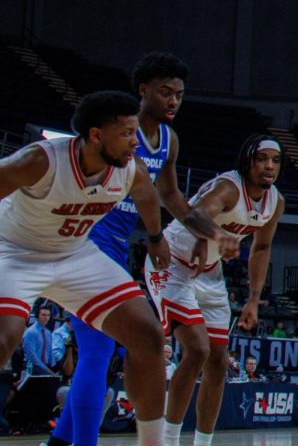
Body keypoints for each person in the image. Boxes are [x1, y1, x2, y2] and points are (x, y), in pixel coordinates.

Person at [50, 57, 237, 446]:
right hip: (85, 241)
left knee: (104, 352)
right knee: (98, 352)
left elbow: (172, 198)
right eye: (165, 92)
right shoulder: (118, 132)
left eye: (180, 95)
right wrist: (155, 238)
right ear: (143, 90)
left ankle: (58, 442)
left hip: (117, 249)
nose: (173, 102)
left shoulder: (168, 140)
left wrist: (216, 233)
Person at [0, 91, 171, 446]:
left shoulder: (130, 171)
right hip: (15, 252)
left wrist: (155, 238)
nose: (134, 143)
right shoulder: (40, 161)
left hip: (75, 254)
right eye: (126, 133)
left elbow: (148, 198)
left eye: (136, 133)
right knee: (4, 337)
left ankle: (154, 443)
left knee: (149, 336)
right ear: (96, 136)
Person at [145, 134, 285, 446]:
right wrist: (220, 235)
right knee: (196, 349)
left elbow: (261, 249)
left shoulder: (276, 202)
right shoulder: (228, 187)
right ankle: (167, 440)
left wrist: (252, 298)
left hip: (209, 273)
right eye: (262, 159)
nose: (269, 166)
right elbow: (194, 215)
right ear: (248, 161)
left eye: (275, 161)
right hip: (171, 263)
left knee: (219, 362)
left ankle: (203, 442)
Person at [23, 307, 56, 376]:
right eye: (43, 315)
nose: (46, 317)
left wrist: (53, 367)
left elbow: (50, 350)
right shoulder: (31, 332)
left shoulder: (48, 332)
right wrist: (47, 369)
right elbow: (31, 355)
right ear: (37, 316)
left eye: (48, 315)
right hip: (33, 365)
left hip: (46, 365)